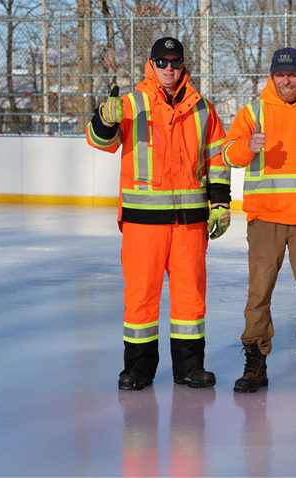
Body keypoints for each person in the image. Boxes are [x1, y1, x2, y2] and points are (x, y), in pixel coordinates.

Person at [86, 37, 231, 391]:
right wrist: (104, 118)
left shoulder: (203, 108)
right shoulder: (130, 103)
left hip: (189, 223)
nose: (169, 68)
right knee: (141, 295)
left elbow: (216, 160)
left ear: (184, 66)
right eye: (162, 62)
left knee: (190, 295)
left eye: (175, 62)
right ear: (150, 65)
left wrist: (221, 203)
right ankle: (137, 369)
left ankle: (190, 367)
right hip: (142, 223)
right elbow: (100, 142)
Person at [222, 47, 296, 394]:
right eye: (280, 74)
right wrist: (248, 146)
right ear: (271, 77)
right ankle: (255, 364)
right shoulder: (253, 112)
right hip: (265, 221)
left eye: (292, 74)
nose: (286, 80)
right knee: (258, 294)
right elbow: (229, 152)